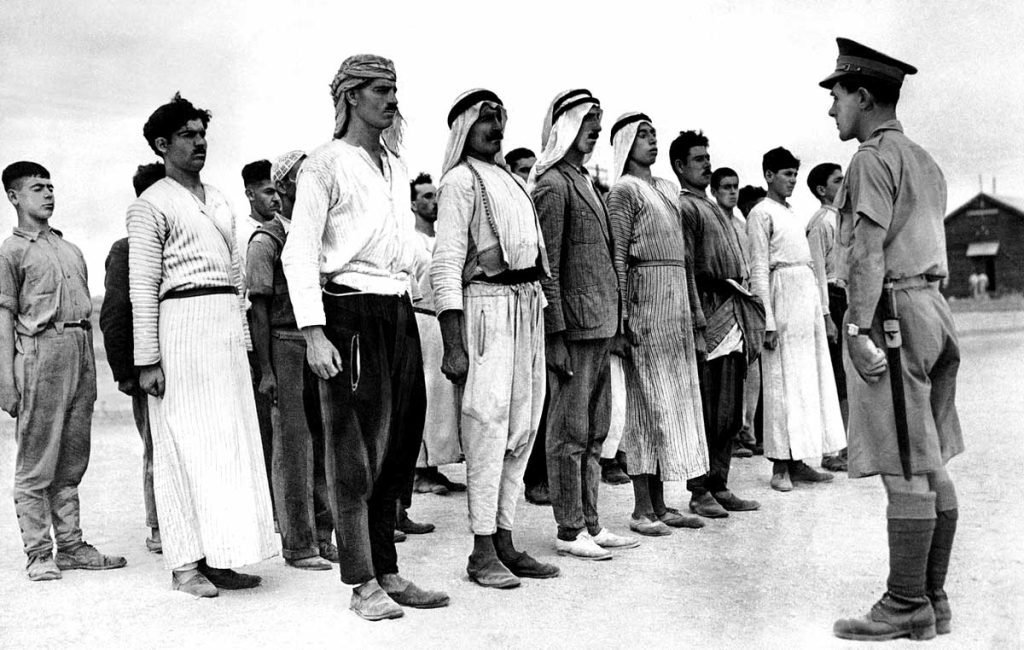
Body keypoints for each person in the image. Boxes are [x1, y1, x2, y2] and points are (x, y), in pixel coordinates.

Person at [281, 55, 447, 620]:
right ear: (351, 95)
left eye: (396, 89)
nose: (392, 99)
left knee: (400, 445)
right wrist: (314, 333)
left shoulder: (397, 166)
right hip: (348, 310)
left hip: (397, 310)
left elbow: (406, 248)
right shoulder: (323, 165)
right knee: (353, 454)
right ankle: (361, 583)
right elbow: (299, 252)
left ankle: (389, 570)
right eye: (380, 89)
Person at [822, 37, 964, 641]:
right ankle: (932, 598)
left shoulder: (871, 159)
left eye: (836, 96)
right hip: (933, 307)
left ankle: (907, 603)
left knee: (904, 463)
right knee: (928, 462)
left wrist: (856, 328)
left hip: (896, 312)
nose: (832, 110)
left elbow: (868, 254)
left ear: (863, 95)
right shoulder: (924, 159)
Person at [127, 93, 276, 598]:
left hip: (222, 330)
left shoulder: (219, 199)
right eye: (188, 136)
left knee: (226, 445)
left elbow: (237, 279)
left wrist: (243, 342)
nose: (199, 143)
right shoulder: (150, 206)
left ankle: (221, 555)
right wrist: (147, 360)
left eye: (202, 133)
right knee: (182, 443)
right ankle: (185, 565)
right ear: (162, 145)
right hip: (180, 323)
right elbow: (142, 285)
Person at [431, 88, 560, 588]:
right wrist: (454, 342)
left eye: (500, 120)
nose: (496, 129)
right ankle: (481, 549)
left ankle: (505, 539)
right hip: (485, 307)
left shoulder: (510, 180)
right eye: (486, 120)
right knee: (488, 425)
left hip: (526, 307)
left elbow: (536, 256)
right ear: (464, 126)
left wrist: (545, 324)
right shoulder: (459, 183)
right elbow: (445, 264)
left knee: (523, 426)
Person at [0, 161, 127, 581]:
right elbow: (3, 320)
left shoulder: (69, 248)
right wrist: (5, 379)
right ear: (14, 197)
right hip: (41, 352)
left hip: (80, 349)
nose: (48, 194)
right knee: (36, 460)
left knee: (73, 457)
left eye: (51, 186)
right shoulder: (11, 251)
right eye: (37, 188)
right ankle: (39, 553)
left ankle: (71, 546)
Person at [531, 89, 639, 560]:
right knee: (569, 433)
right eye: (588, 119)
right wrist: (554, 335)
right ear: (565, 125)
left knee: (595, 432)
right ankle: (568, 529)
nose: (596, 127)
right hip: (573, 330)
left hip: (599, 327)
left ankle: (591, 523)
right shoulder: (554, 184)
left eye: (599, 119)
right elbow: (547, 266)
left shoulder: (584, 180)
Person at [606, 113, 708, 536]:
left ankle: (664, 504)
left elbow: (685, 257)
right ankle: (641, 508)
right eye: (642, 135)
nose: (651, 141)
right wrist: (621, 316)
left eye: (653, 134)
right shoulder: (622, 191)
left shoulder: (667, 189)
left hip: (675, 305)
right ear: (625, 143)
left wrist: (695, 312)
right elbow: (617, 258)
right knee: (645, 405)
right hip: (644, 302)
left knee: (671, 405)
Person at [246, 150, 338, 571]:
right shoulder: (266, 241)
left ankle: (323, 535)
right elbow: (259, 310)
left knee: (325, 443)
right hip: (285, 344)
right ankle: (299, 544)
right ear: (284, 188)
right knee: (293, 449)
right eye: (302, 180)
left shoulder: (316, 234)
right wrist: (266, 370)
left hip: (317, 343)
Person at [672, 133, 764, 519]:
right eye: (698, 159)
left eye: (708, 157)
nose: (706, 164)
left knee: (729, 409)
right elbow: (689, 269)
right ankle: (699, 490)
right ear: (680, 166)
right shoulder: (686, 208)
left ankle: (721, 482)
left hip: (734, 311)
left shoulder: (714, 206)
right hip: (710, 310)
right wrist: (696, 319)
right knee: (709, 408)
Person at [746, 147, 845, 491]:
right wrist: (767, 321)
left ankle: (801, 459)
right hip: (781, 296)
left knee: (806, 381)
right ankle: (780, 467)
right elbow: (758, 266)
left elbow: (815, 268)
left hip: (806, 301)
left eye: (794, 174)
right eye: (785, 174)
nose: (791, 181)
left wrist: (824, 314)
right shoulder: (761, 213)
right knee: (781, 384)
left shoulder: (793, 213)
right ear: (769, 175)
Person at [99, 162, 166, 555]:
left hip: (185, 357)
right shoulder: (125, 249)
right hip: (148, 366)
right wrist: (126, 371)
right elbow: (115, 314)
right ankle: (158, 525)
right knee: (157, 446)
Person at [408, 172, 466, 499]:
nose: (433, 202)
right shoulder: (411, 241)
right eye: (426, 196)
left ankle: (437, 465)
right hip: (423, 322)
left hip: (446, 322)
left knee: (445, 398)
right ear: (413, 203)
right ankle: (420, 471)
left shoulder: (444, 239)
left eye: (435, 196)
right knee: (427, 395)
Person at [710, 167, 758, 459]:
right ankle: (726, 440)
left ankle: (745, 431)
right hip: (720, 301)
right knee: (722, 377)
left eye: (735, 187)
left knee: (749, 371)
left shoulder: (741, 225)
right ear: (715, 190)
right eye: (726, 187)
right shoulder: (712, 219)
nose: (732, 192)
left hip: (744, 302)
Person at [241, 159, 279, 514]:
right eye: (268, 191)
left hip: (270, 343)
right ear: (250, 193)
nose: (275, 198)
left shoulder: (280, 231)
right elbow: (249, 302)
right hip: (251, 346)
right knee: (262, 433)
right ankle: (269, 510)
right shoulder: (246, 235)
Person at [805, 161, 850, 471]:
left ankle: (850, 445)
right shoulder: (821, 223)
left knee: (849, 374)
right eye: (838, 181)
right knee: (835, 376)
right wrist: (826, 316)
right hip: (831, 299)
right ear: (823, 189)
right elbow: (818, 272)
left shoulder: (844, 220)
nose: (844, 184)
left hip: (847, 297)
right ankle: (831, 451)